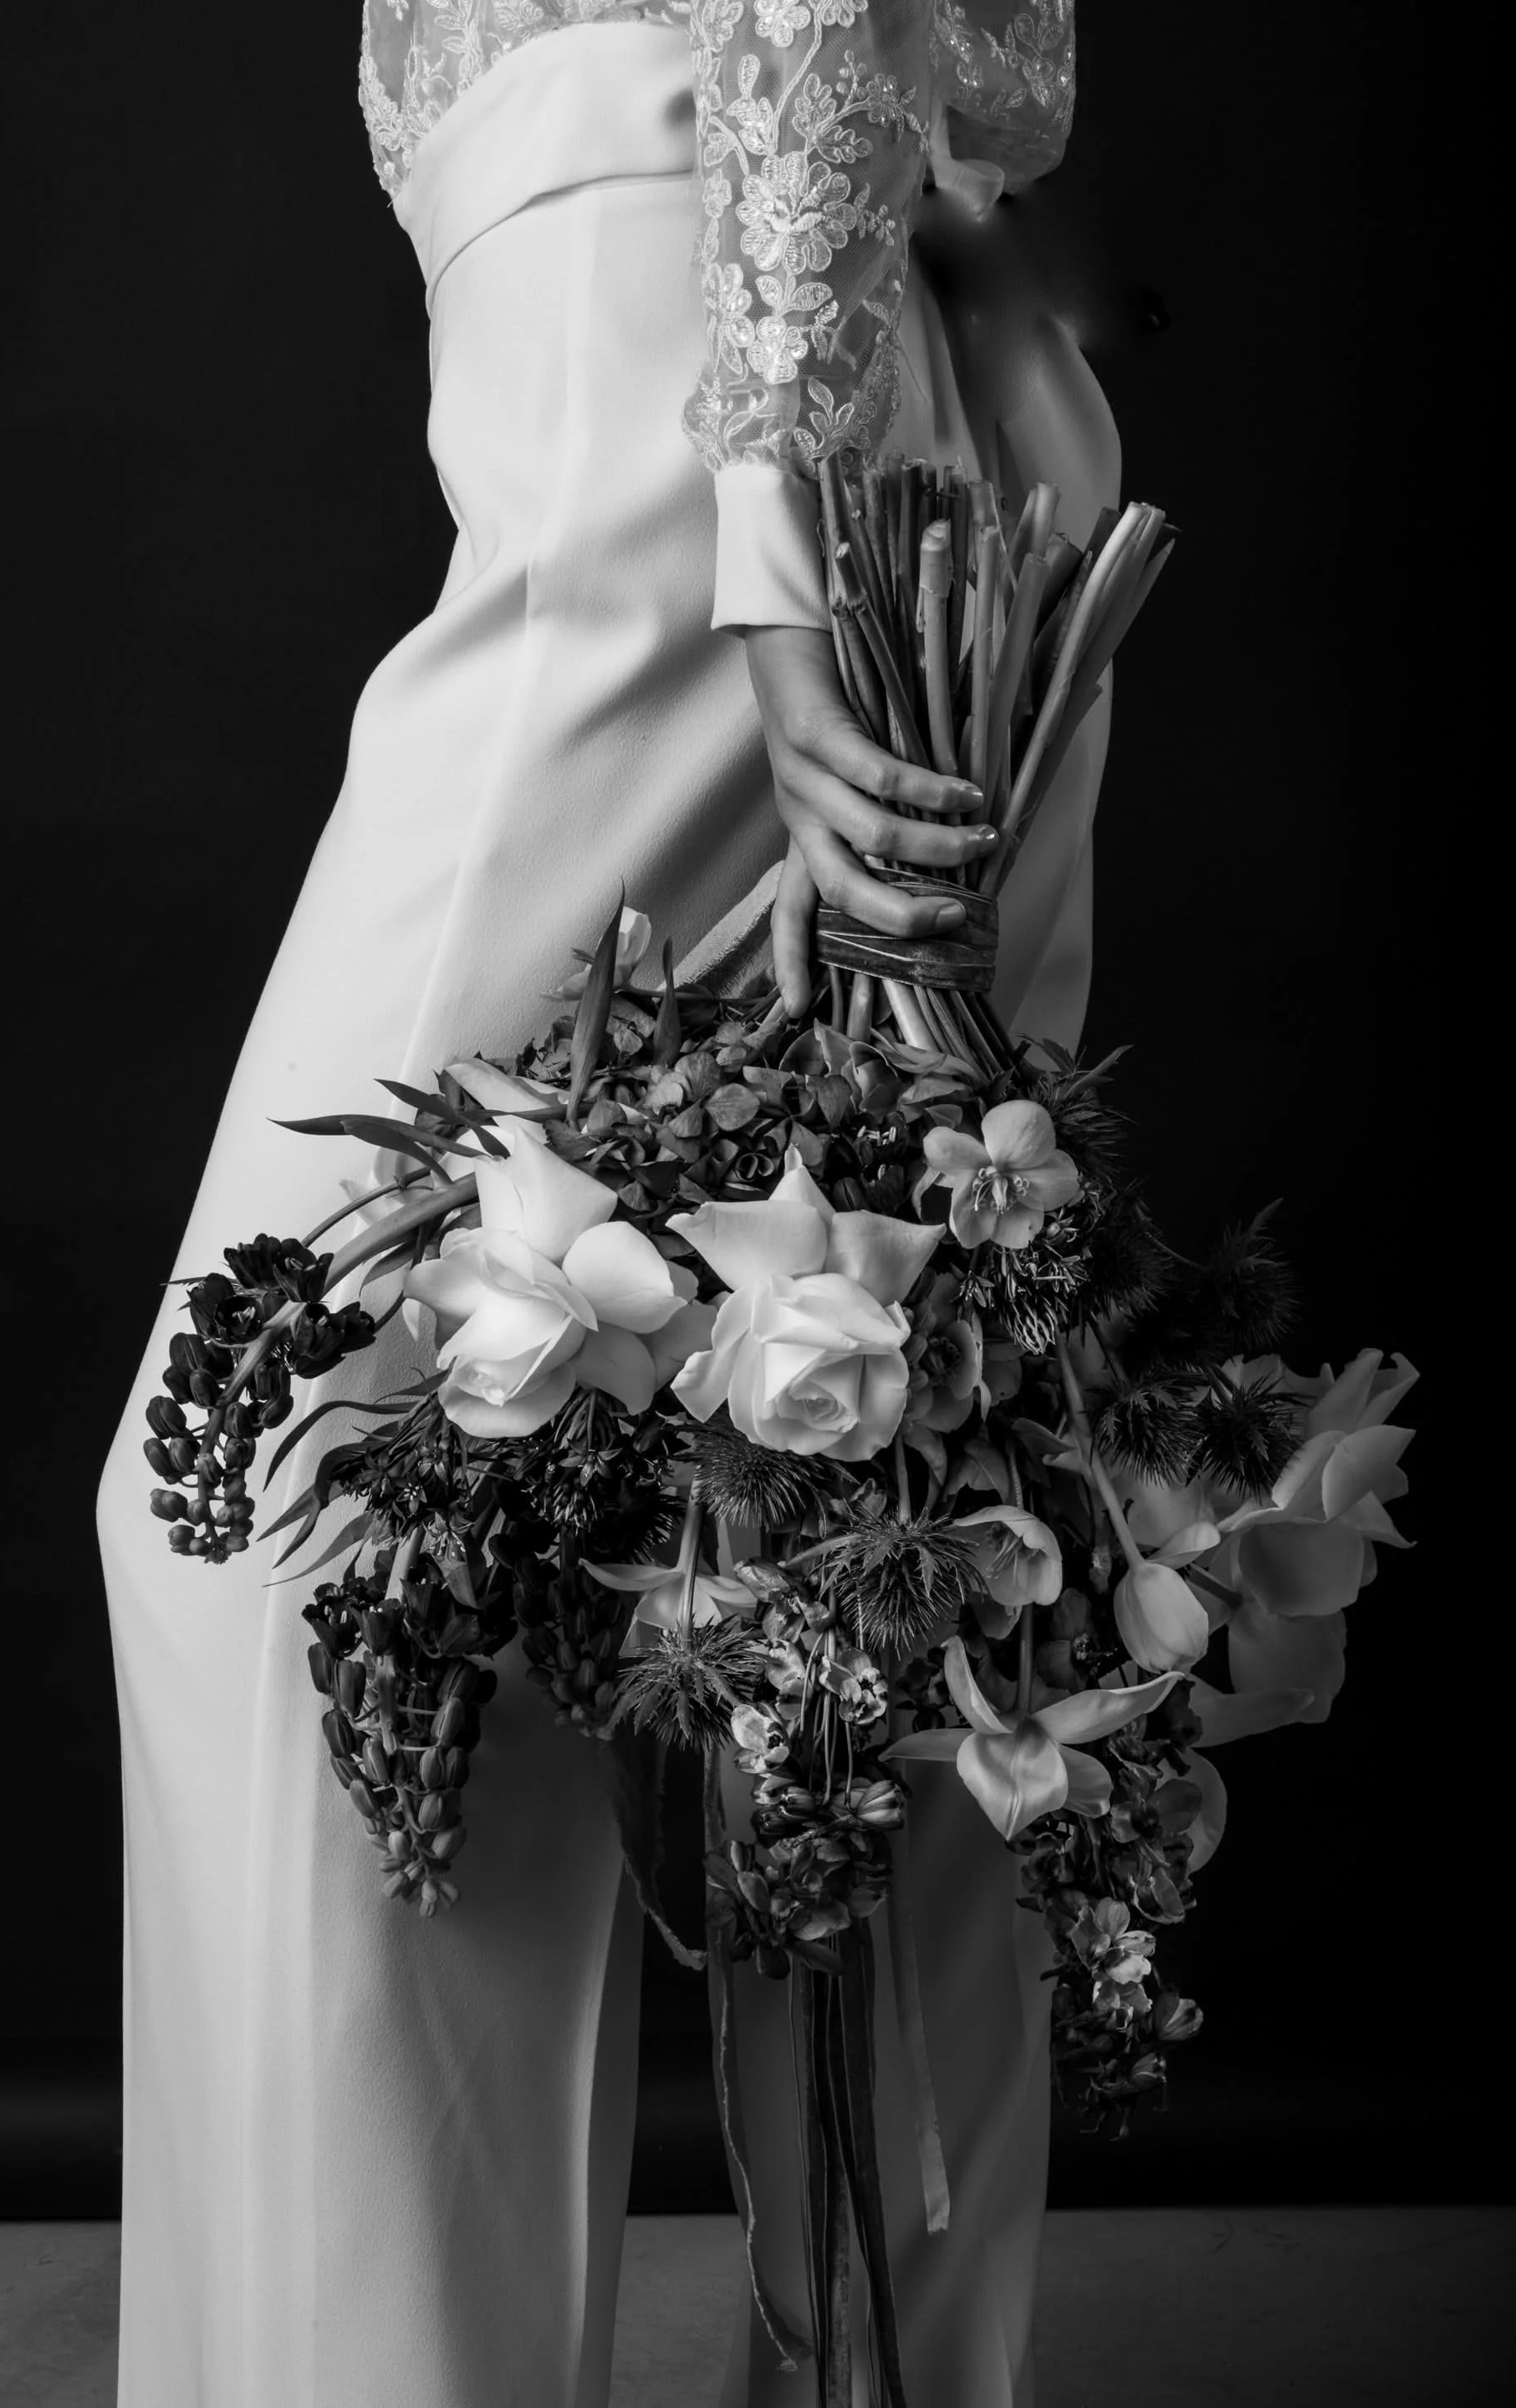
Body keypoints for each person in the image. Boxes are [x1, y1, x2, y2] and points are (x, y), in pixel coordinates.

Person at [97, 4, 1114, 2400]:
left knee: (311, 1509)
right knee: (876, 1499)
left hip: (709, 416)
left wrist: (777, 540)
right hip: (809, 338)